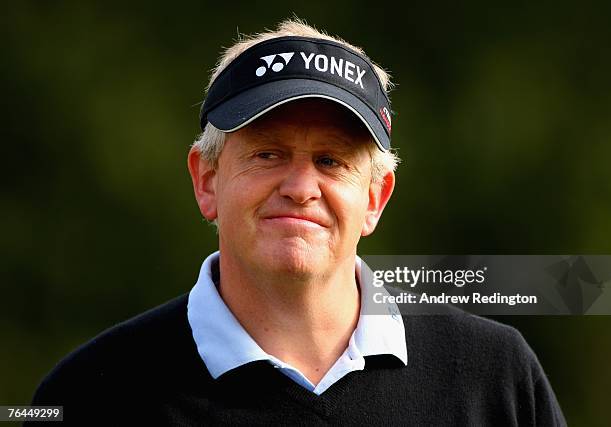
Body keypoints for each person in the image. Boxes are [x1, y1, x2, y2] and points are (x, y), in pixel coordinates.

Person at [29, 18, 566, 426]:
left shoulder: (493, 375)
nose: (300, 187)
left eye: (331, 161)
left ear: (376, 197)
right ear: (207, 180)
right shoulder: (88, 392)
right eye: (267, 154)